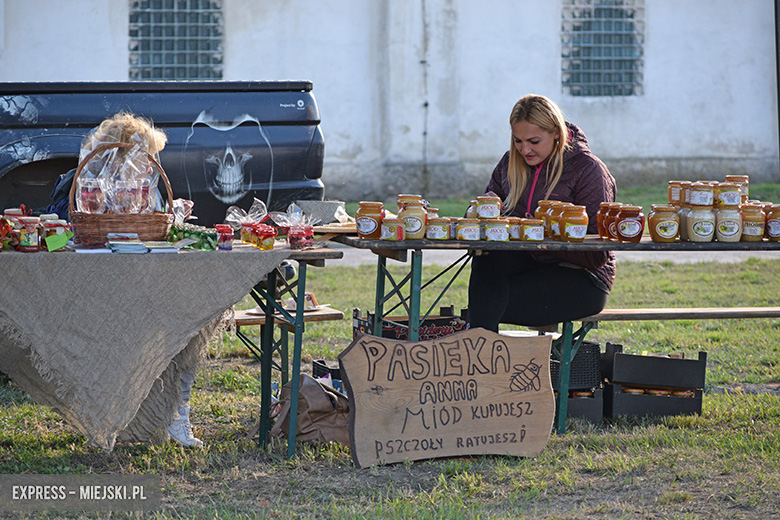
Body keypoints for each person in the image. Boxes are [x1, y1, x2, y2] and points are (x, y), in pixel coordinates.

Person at [467, 94, 616, 332]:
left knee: (485, 301)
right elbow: (483, 214)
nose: (524, 149)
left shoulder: (588, 169)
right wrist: (482, 210)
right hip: (529, 266)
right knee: (487, 260)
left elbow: (597, 255)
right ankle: (483, 352)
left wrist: (543, 235)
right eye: (517, 141)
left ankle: (480, 352)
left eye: (534, 141)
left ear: (556, 132)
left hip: (582, 278)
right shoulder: (509, 163)